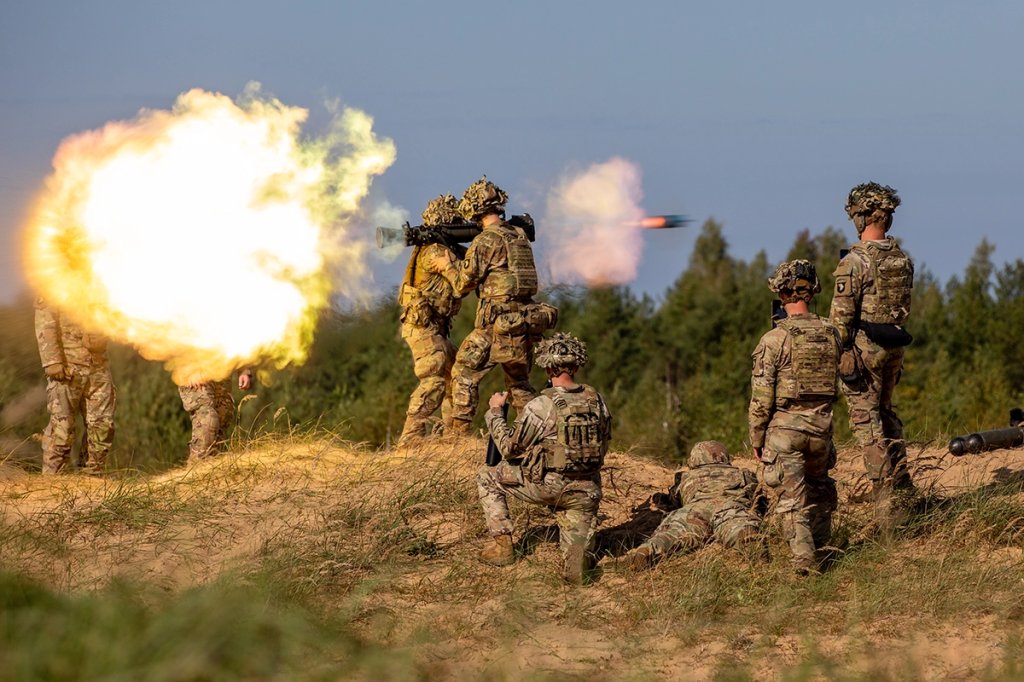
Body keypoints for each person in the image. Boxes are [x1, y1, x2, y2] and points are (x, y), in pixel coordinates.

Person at [476, 332, 611, 584]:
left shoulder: (541, 405)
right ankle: (576, 553)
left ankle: (503, 547)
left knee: (486, 476)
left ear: (547, 367)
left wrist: (495, 413)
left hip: (550, 486)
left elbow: (508, 449)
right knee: (576, 565)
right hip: (586, 491)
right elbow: (604, 443)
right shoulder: (597, 400)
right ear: (577, 365)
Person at [434, 177, 556, 435]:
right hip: (523, 322)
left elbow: (462, 284)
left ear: (473, 208)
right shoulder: (519, 235)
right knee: (519, 384)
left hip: (495, 324)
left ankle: (458, 437)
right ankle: (538, 435)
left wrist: (447, 266)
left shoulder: (485, 241)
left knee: (464, 373)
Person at [749, 260, 841, 574]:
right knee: (819, 490)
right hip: (821, 431)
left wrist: (757, 438)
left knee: (790, 498)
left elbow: (761, 399)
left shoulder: (774, 340)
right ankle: (824, 551)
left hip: (785, 432)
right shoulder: (832, 333)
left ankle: (804, 560)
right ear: (813, 290)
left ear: (782, 292)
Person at [830, 182, 915, 508]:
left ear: (862, 216)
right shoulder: (902, 259)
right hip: (894, 346)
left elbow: (841, 318)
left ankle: (885, 495)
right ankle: (904, 484)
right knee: (886, 413)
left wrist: (839, 352)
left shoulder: (855, 262)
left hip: (865, 349)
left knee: (867, 422)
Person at [618, 441, 762, 571]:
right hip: (730, 506)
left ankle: (649, 550)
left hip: (695, 510)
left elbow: (674, 502)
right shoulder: (743, 473)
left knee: (673, 532)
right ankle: (746, 539)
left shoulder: (687, 477)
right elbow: (755, 495)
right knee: (738, 525)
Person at [396, 194, 465, 448]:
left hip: (433, 328)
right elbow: (463, 280)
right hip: (424, 329)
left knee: (456, 375)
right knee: (433, 379)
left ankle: (453, 438)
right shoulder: (436, 251)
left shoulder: (436, 248)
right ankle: (410, 440)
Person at [34, 298, 116, 475]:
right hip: (67, 368)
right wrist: (52, 361)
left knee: (103, 425)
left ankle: (92, 475)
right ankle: (53, 480)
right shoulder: (58, 280)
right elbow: (45, 318)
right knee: (62, 429)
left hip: (98, 367)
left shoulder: (98, 283)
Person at [179, 368, 252, 463]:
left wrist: (243, 370)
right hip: (194, 371)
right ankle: (197, 467)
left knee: (222, 420)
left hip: (220, 373)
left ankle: (211, 469)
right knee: (207, 418)